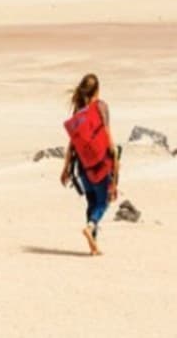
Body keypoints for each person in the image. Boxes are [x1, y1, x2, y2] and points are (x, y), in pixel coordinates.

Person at [60, 73, 119, 255]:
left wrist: (66, 169)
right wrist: (115, 166)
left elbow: (72, 144)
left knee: (91, 201)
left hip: (83, 166)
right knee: (103, 202)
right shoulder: (101, 107)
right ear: (98, 90)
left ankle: (93, 245)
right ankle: (91, 225)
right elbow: (109, 139)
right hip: (101, 164)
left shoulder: (78, 112)